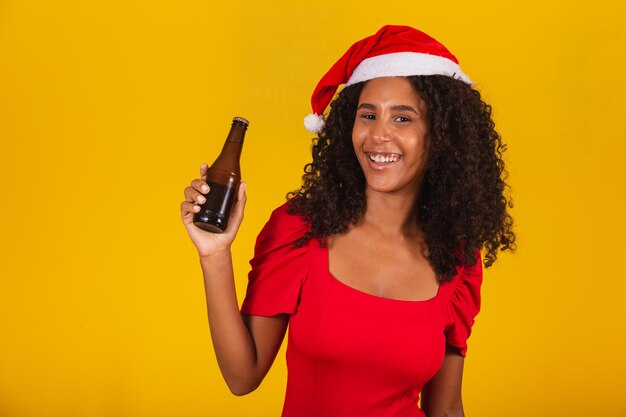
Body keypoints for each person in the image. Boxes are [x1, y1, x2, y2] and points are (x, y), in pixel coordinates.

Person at [180, 25, 515, 417]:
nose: (378, 135)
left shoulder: (456, 256)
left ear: (440, 135)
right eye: (367, 115)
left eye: (402, 119)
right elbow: (242, 376)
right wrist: (214, 255)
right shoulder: (301, 230)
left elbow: (445, 408)